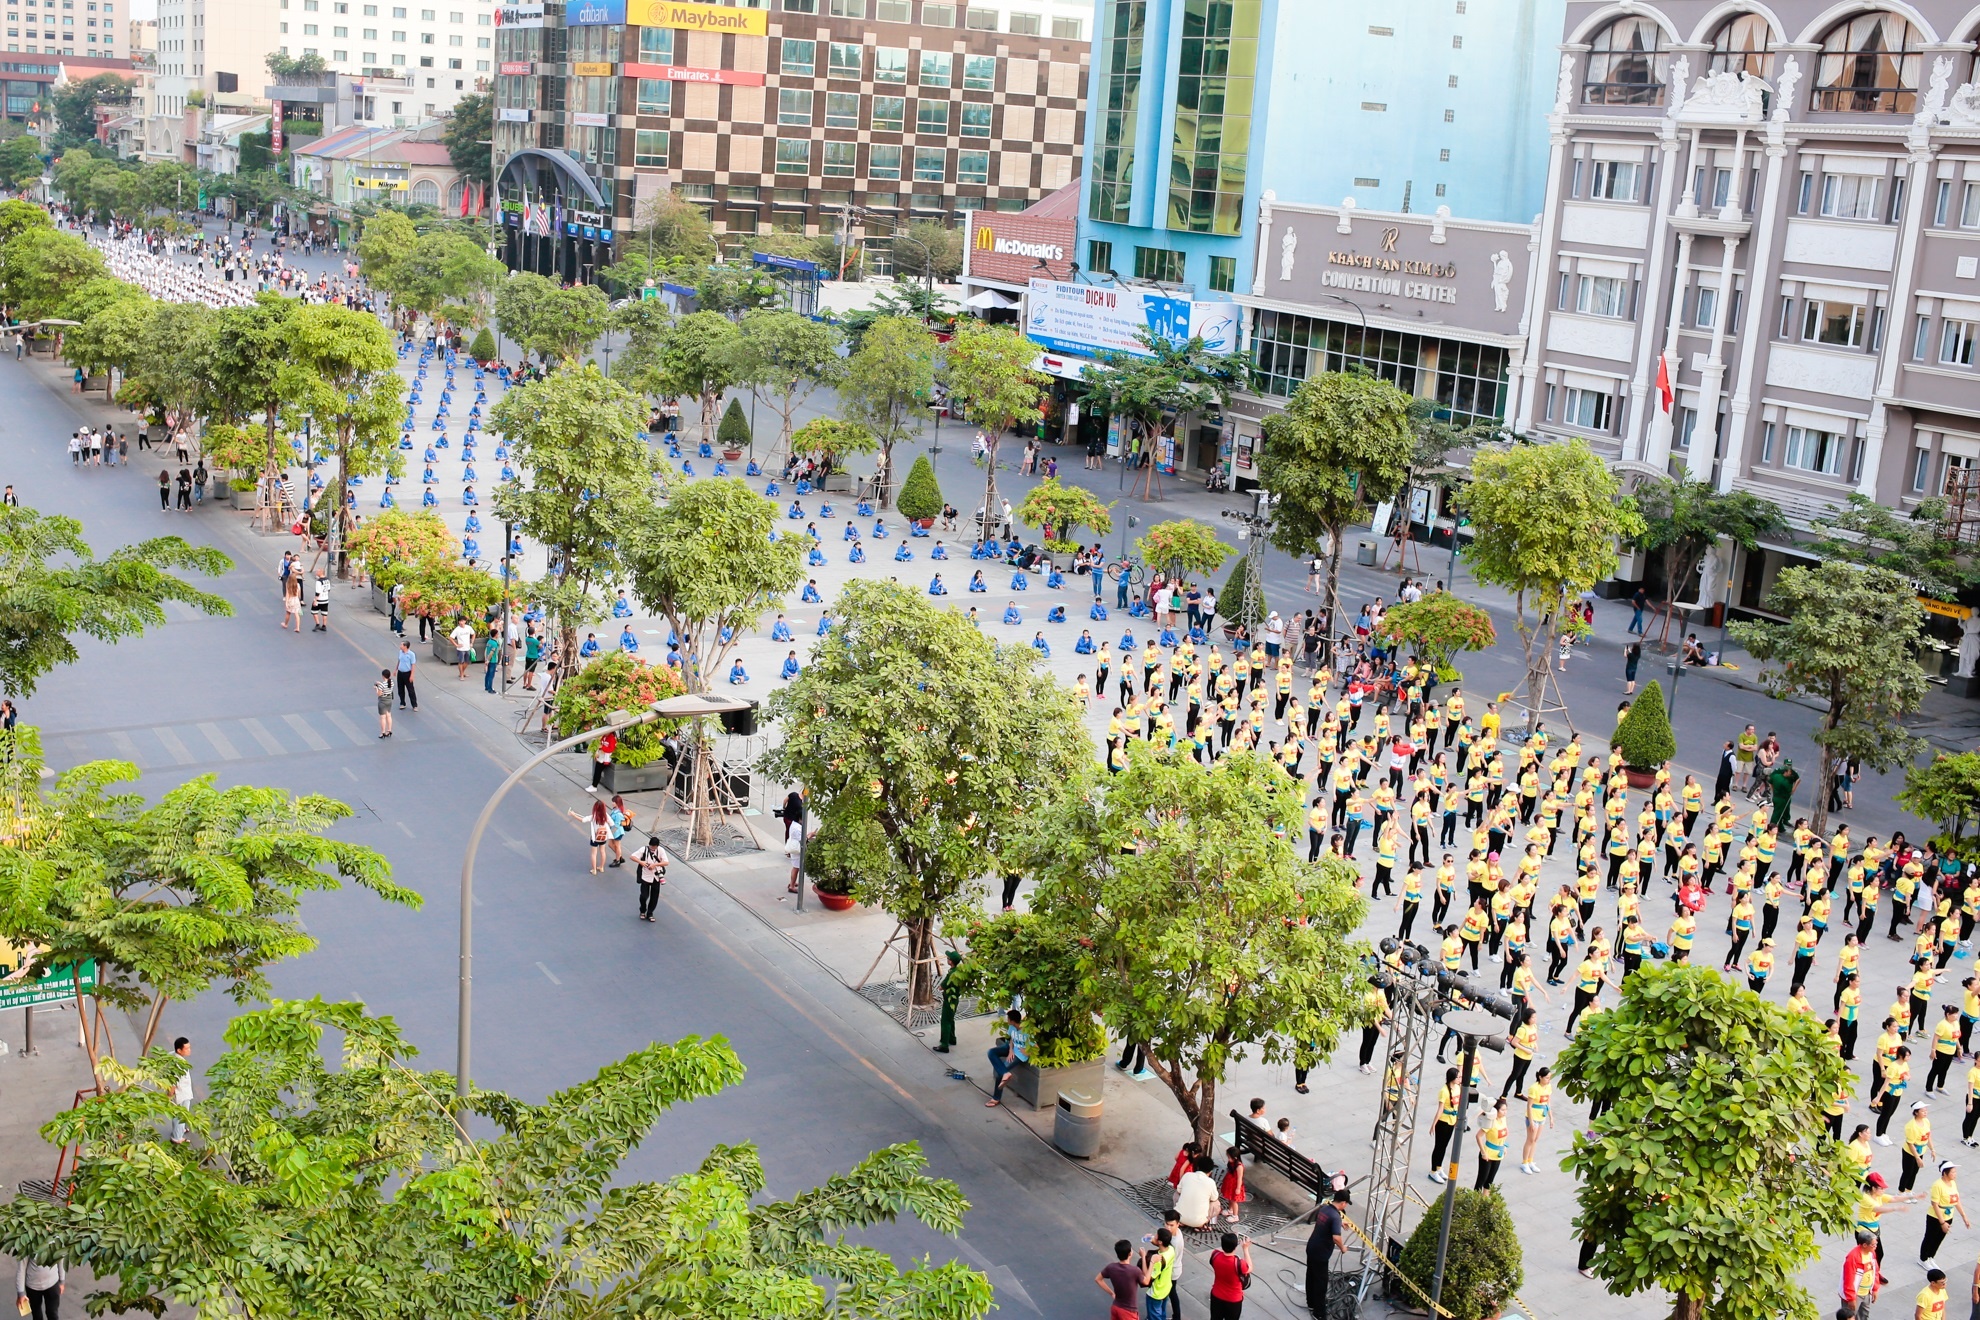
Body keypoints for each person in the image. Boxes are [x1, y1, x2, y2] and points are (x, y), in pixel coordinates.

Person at [1306, 1187, 1347, 1319]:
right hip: (1321, 1253)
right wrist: (1343, 1248)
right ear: (1342, 1203)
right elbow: (1336, 1237)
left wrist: (1340, 1223)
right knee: (1321, 1283)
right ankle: (1319, 1313)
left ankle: (1311, 1303)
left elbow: (1327, 1222)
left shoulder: (1324, 1209)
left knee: (1311, 1276)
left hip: (1312, 1247)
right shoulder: (1335, 1216)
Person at [985, 1007, 1028, 1107]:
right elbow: (1012, 1038)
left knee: (1000, 1074)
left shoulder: (1026, 1032)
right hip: (1012, 1049)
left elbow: (1036, 1047)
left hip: (1020, 1055)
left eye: (1008, 1019)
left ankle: (996, 1098)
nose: (1007, 1020)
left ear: (1012, 1021)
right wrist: (1010, 1050)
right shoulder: (1012, 1027)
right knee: (991, 1052)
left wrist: (1026, 1052)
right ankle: (1005, 1073)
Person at [1208, 1233, 1253, 1320]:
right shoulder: (1240, 1263)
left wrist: (1230, 1240)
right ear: (1235, 1247)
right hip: (1233, 1300)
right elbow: (1250, 1268)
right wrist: (1245, 1249)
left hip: (1216, 1296)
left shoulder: (1215, 1255)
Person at [1097, 1240, 1146, 1320]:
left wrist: (1112, 1293)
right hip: (1129, 1312)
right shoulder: (1135, 1271)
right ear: (1130, 1253)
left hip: (1116, 1307)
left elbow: (1098, 1279)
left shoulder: (1111, 1267)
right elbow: (1146, 1281)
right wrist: (1146, 1259)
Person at [1174, 1156, 1220, 1229]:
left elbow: (1179, 1191)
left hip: (1178, 1217)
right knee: (1216, 1203)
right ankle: (1208, 1222)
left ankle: (1182, 1219)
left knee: (1176, 1193)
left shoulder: (1187, 1175)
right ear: (1210, 1171)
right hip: (1198, 1222)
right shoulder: (1211, 1182)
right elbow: (1214, 1198)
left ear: (1198, 1167)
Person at [634, 835, 668, 922]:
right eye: (651, 847)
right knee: (644, 896)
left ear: (657, 846)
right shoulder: (644, 849)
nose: (652, 849)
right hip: (645, 876)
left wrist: (655, 865)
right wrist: (641, 862)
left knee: (654, 897)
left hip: (656, 877)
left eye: (654, 848)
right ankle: (642, 910)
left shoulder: (661, 850)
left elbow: (666, 862)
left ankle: (650, 913)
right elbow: (632, 856)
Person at [169, 1036, 194, 1141]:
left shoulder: (172, 1055)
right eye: (187, 1048)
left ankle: (180, 1130)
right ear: (179, 1050)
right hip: (181, 1094)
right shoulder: (179, 1065)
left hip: (182, 1092)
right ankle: (177, 1137)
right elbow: (173, 1082)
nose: (189, 1050)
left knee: (179, 1115)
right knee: (180, 1116)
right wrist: (169, 1095)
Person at [395, 641, 418, 710]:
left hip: (407, 673)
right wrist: (396, 669)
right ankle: (402, 703)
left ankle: (414, 705)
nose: (400, 646)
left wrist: (412, 675)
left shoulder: (411, 654)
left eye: (401, 645)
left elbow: (413, 665)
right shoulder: (400, 652)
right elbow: (399, 661)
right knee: (400, 689)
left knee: (410, 690)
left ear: (405, 646)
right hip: (400, 673)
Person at [375, 667, 394, 738]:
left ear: (383, 676)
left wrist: (376, 688)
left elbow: (379, 694)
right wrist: (379, 683)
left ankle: (382, 732)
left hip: (382, 701)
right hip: (389, 700)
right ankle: (389, 730)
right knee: (388, 715)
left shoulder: (381, 685)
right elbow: (386, 685)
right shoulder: (391, 682)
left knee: (383, 717)